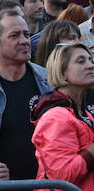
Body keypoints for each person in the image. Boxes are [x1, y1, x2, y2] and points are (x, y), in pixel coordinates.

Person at [0, 9, 53, 180]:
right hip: (3, 186)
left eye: (26, 34)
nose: (24, 41)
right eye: (15, 36)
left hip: (47, 183)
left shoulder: (49, 81)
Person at [31, 42, 94, 190]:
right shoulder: (55, 117)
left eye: (90, 60)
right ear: (62, 72)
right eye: (81, 61)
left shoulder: (84, 114)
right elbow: (61, 175)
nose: (91, 65)